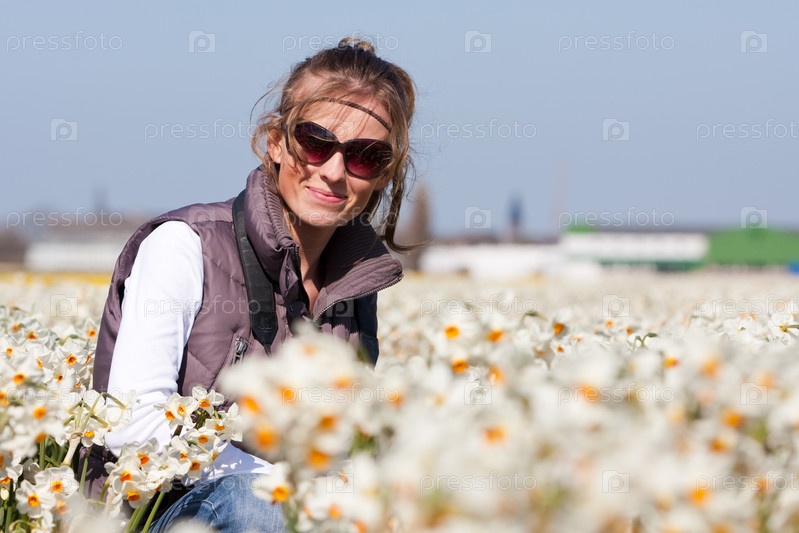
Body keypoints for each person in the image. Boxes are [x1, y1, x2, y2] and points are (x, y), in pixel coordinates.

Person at [83, 36, 416, 532]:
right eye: (316, 142)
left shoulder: (356, 283)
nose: (333, 172)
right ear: (275, 142)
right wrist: (288, 488)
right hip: (150, 512)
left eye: (365, 156)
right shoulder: (184, 246)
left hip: (295, 513)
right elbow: (132, 427)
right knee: (252, 507)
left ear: (384, 174)